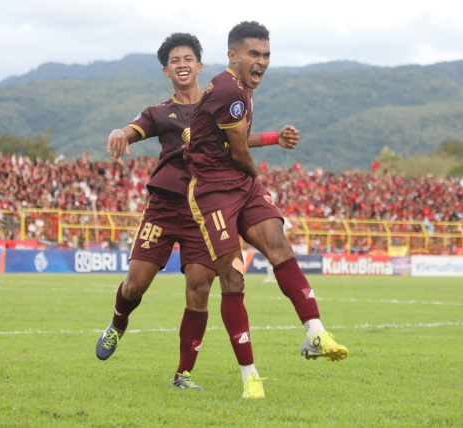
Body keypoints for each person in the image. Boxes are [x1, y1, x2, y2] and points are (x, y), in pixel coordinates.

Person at [95, 33, 297, 391]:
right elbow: (133, 128)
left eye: (188, 58)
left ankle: (183, 374)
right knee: (135, 285)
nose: (182, 64)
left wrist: (272, 138)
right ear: (166, 71)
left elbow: (237, 135)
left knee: (199, 289)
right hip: (164, 206)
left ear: (200, 66)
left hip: (203, 210)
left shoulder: (219, 99)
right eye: (175, 61)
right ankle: (117, 323)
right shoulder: (159, 112)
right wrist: (119, 131)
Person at [184, 21, 348, 399]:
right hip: (212, 192)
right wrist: (258, 179)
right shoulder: (228, 89)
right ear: (233, 55)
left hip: (238, 183)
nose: (261, 61)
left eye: (266, 55)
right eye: (253, 54)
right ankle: (249, 376)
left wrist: (275, 138)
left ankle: (315, 333)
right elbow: (239, 151)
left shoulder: (239, 87)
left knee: (280, 249)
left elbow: (233, 140)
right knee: (233, 280)